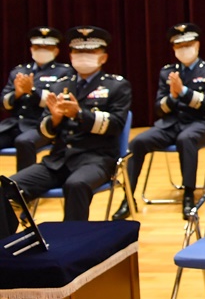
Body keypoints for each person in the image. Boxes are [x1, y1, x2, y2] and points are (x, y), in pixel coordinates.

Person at [2, 26, 132, 221]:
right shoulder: (60, 85)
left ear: (103, 57)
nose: (83, 56)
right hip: (58, 160)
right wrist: (54, 120)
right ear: (70, 55)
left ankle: (74, 246)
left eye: (90, 52)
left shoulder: (117, 86)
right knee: (8, 187)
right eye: (78, 52)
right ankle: (9, 244)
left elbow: (115, 125)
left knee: (76, 185)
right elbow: (44, 132)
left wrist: (79, 114)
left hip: (97, 159)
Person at [112, 23, 205, 220]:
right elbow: (159, 109)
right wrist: (172, 97)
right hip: (170, 124)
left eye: (187, 45)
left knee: (185, 139)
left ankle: (188, 195)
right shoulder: (167, 72)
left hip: (199, 124)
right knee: (137, 142)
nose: (184, 50)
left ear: (197, 45)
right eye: (179, 46)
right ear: (173, 49)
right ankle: (128, 199)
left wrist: (184, 92)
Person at [0, 27, 74, 170]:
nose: (42, 50)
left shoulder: (65, 72)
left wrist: (32, 91)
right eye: (38, 46)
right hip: (14, 124)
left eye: (47, 47)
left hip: (40, 125)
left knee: (24, 142)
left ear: (56, 51)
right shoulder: (19, 70)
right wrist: (17, 93)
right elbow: (3, 103)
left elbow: (58, 103)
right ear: (31, 49)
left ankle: (21, 188)